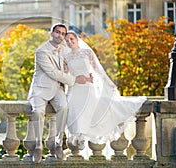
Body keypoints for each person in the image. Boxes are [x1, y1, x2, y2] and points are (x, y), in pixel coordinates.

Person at [64, 30, 147, 151]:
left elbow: (98, 70)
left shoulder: (87, 53)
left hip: (88, 87)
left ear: (77, 39)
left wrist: (108, 83)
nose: (69, 42)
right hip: (74, 88)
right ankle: (79, 136)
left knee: (90, 109)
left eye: (71, 39)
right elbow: (66, 75)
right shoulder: (66, 57)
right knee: (74, 108)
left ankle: (83, 135)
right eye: (66, 41)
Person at [27, 23, 91, 163]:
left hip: (57, 89)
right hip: (41, 89)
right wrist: (75, 79)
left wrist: (86, 73)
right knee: (38, 112)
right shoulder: (41, 51)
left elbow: (75, 59)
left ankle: (57, 143)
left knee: (64, 107)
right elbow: (53, 73)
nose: (60, 36)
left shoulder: (64, 50)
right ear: (52, 33)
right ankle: (38, 146)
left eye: (63, 33)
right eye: (57, 32)